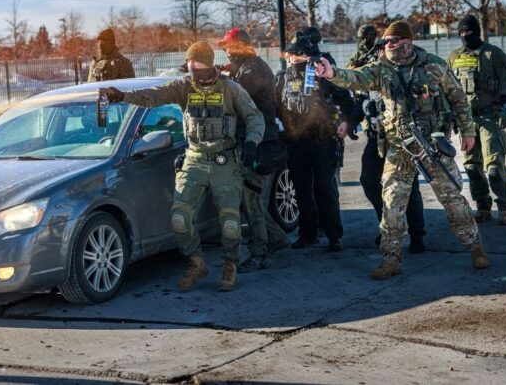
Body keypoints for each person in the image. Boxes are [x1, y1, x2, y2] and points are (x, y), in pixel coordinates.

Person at [314, 20, 490, 279]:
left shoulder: (433, 65)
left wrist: (468, 131)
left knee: (453, 200)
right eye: (386, 42)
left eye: (394, 41)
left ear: (407, 42)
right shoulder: (381, 69)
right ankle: (391, 258)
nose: (389, 46)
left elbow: (458, 99)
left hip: (432, 145)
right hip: (399, 148)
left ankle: (475, 247)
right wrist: (331, 73)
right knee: (391, 204)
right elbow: (356, 78)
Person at [99, 41, 265, 292]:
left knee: (230, 221)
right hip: (194, 159)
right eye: (189, 63)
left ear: (208, 64)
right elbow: (153, 96)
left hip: (224, 160)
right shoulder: (183, 87)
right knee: (179, 218)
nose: (191, 67)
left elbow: (255, 116)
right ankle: (196, 262)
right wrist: (122, 96)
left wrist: (252, 142)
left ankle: (230, 264)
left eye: (196, 63)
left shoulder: (231, 89)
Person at [277, 27, 359, 253]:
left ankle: (334, 236)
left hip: (323, 140)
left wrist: (346, 122)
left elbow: (348, 102)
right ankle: (308, 234)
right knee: (301, 190)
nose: (293, 58)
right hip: (295, 143)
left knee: (325, 189)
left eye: (298, 53)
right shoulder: (282, 79)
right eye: (290, 54)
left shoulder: (323, 75)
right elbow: (272, 109)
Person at [349, 25, 427, 253]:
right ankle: (387, 226)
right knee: (368, 179)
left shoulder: (400, 66)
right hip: (376, 135)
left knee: (408, 186)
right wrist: (351, 121)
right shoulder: (368, 66)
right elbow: (361, 98)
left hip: (402, 136)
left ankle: (417, 234)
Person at [216, 27, 289, 272]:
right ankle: (276, 238)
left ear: (240, 46)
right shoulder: (245, 67)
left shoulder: (253, 70)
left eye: (228, 47)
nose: (225, 52)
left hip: (257, 144)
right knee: (247, 201)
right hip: (247, 142)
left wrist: (210, 75)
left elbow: (232, 92)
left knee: (251, 201)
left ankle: (260, 253)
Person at [448, 15, 506, 226]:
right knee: (471, 167)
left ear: (476, 31)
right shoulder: (454, 57)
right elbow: (449, 89)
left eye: (468, 32)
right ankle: (482, 206)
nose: (465, 36)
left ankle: (504, 207)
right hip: (466, 121)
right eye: (461, 33)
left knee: (494, 166)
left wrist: (505, 108)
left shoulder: (493, 54)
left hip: (489, 117)